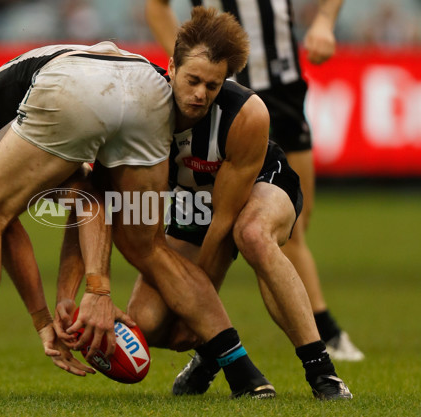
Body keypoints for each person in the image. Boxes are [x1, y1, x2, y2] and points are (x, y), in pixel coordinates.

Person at [0, 40, 272, 399]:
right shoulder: (23, 144)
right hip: (144, 83)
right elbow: (89, 199)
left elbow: (2, 223)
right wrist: (94, 290)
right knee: (151, 247)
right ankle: (242, 371)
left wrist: (43, 320)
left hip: (74, 83)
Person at [55, 8, 351, 400]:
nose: (200, 95)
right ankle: (213, 356)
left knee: (253, 236)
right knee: (148, 322)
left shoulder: (246, 114)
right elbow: (95, 205)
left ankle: (322, 373)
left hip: (262, 186)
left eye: (212, 86)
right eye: (192, 80)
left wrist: (201, 320)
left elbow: (225, 223)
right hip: (194, 203)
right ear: (171, 66)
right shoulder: (134, 112)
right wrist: (81, 293)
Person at [145, 0, 363, 362]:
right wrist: (193, 71)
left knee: (293, 225)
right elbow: (157, 6)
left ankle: (215, 341)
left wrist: (325, 21)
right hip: (225, 100)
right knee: (253, 231)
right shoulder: (204, 88)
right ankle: (323, 332)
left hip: (282, 85)